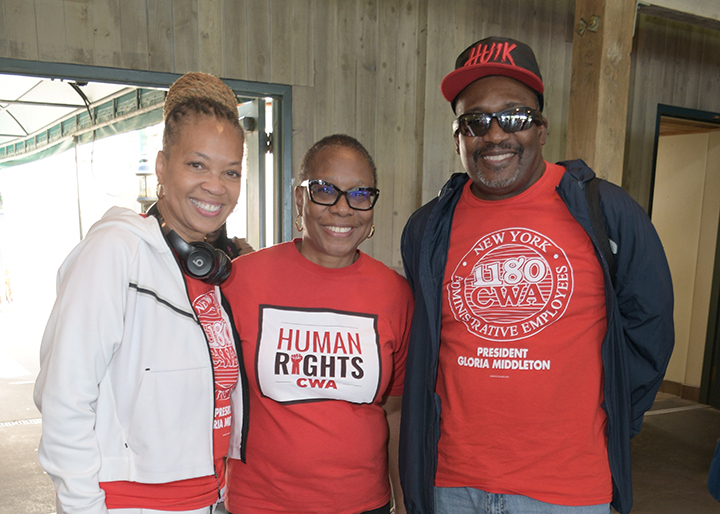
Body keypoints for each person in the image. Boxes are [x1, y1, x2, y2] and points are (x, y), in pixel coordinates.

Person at [398, 36, 674, 514]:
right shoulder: (428, 227)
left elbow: (650, 332)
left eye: (515, 116)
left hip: (567, 490)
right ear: (458, 137)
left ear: (542, 129)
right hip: (451, 485)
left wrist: (612, 421)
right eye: (475, 121)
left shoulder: (605, 211)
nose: (494, 134)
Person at [34, 72, 247, 514]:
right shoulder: (115, 250)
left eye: (231, 171)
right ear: (162, 166)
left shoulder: (207, 273)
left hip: (209, 499)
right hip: (131, 503)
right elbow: (64, 398)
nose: (216, 185)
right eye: (197, 165)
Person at [221, 134, 413, 514]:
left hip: (362, 504)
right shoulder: (241, 281)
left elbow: (395, 410)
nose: (342, 209)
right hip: (259, 504)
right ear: (300, 199)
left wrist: (403, 503)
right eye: (325, 191)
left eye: (359, 194)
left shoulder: (395, 294)